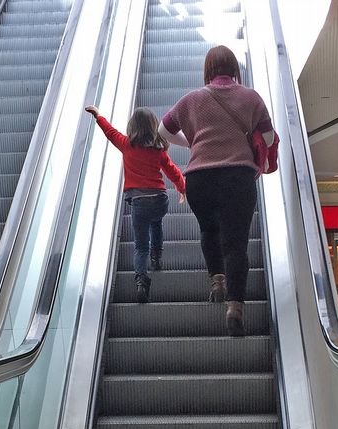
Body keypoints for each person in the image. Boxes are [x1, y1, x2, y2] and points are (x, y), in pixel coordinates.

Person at [160, 45, 274, 336]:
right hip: (238, 176)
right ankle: (235, 306)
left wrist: (194, 142)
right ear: (234, 68)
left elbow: (163, 132)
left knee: (209, 231)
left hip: (200, 179)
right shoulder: (251, 97)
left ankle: (217, 281)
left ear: (208, 69)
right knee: (236, 243)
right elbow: (270, 136)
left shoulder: (191, 100)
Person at [85, 104, 186, 303]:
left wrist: (98, 116)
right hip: (159, 199)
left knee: (140, 246)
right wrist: (181, 187)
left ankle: (141, 282)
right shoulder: (159, 150)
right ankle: (157, 258)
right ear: (153, 127)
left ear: (133, 126)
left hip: (139, 202)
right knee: (157, 224)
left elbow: (110, 132)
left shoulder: (126, 144)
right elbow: (172, 170)